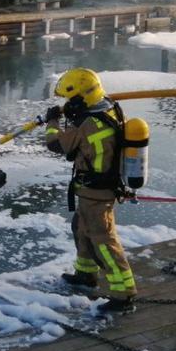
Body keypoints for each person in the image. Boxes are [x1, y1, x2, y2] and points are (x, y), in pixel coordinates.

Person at [41, 68, 137, 314]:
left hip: (97, 192)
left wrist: (52, 121)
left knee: (104, 241)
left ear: (82, 97)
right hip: (93, 189)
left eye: (69, 99)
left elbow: (56, 144)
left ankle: (123, 293)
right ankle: (85, 274)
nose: (66, 104)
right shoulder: (110, 108)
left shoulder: (89, 124)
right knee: (82, 229)